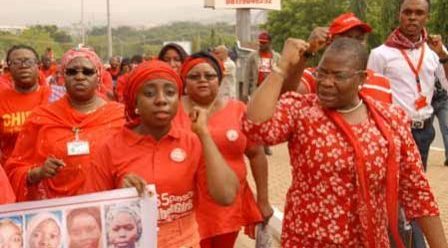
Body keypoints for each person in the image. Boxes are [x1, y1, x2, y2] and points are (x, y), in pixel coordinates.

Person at [243, 37, 447, 248]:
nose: (326, 82)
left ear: (362, 78)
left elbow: (417, 193)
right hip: (308, 241)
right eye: (322, 73)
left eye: (338, 76)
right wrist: (282, 66)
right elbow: (254, 127)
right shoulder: (301, 111)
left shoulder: (390, 120)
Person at [85, 60, 239, 248]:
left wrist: (204, 135)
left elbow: (227, 196)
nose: (161, 100)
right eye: (149, 93)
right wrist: (119, 197)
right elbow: (90, 215)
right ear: (135, 102)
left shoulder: (192, 142)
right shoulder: (110, 148)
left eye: (170, 92)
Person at [176, 52, 271, 247]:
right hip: (186, 207)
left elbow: (256, 154)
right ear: (184, 80)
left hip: (227, 206)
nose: (202, 80)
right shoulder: (172, 112)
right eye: (194, 76)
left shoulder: (238, 110)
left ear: (219, 79)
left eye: (209, 76)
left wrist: (263, 199)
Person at [5, 47, 125, 202]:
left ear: (98, 76)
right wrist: (38, 172)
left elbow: (133, 163)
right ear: (63, 77)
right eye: (72, 72)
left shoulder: (118, 116)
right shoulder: (41, 118)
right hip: (56, 214)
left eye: (87, 71)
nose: (79, 77)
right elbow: (15, 169)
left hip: (108, 209)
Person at [368, 0, 448, 171]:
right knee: (392, 189)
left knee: (417, 189)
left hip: (424, 132)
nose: (412, 17)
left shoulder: (435, 52)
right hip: (394, 132)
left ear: (427, 17)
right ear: (400, 15)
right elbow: (370, 99)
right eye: (407, 12)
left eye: (419, 13)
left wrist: (443, 55)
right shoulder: (380, 54)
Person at [295, 13, 392, 104]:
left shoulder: (382, 82)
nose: (354, 43)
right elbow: (287, 95)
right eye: (347, 38)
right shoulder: (315, 76)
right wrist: (307, 52)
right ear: (329, 42)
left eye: (359, 38)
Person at [0, 45, 63, 166]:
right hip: (13, 174)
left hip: (53, 173)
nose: (23, 66)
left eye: (29, 61)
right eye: (16, 62)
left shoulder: (57, 96)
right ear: (8, 67)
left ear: (38, 65)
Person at [244, 31, 281, 101]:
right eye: (260, 42)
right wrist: (245, 93)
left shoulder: (277, 57)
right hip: (256, 89)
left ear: (269, 43)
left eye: (264, 43)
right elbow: (247, 76)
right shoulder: (252, 56)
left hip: (271, 91)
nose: (261, 45)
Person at [431, 78, 448, 166]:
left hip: (443, 100)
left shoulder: (444, 65)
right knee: (426, 131)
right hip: (428, 101)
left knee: (446, 129)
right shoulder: (425, 64)